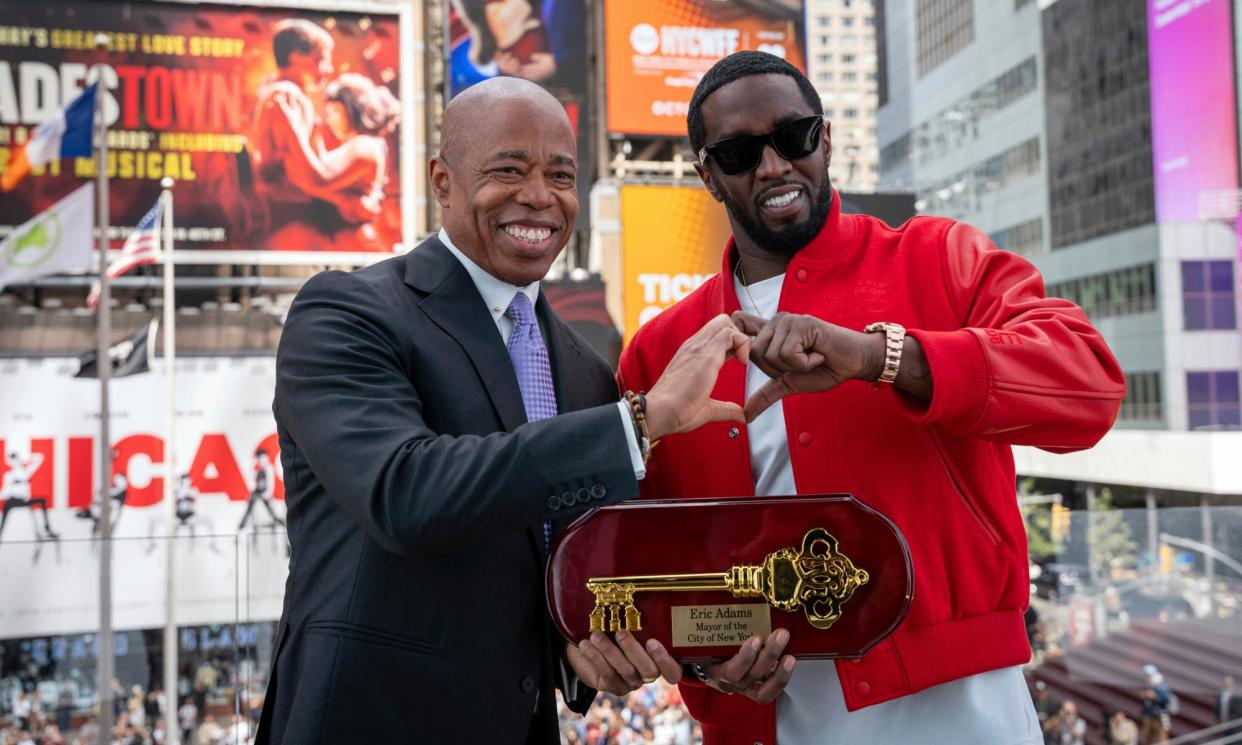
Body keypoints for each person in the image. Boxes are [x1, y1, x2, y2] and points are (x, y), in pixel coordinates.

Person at [616, 51, 1125, 745]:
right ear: (706, 175)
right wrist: (708, 667)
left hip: (964, 711)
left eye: (793, 137)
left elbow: (1090, 383)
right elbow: (651, 571)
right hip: (761, 723)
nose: (772, 167)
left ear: (825, 138)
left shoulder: (939, 257)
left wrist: (884, 357)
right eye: (738, 152)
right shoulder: (660, 349)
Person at [256, 76, 753, 743]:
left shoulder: (585, 370)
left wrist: (617, 649)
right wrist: (640, 421)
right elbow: (405, 492)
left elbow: (567, 570)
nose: (540, 197)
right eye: (509, 170)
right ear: (442, 181)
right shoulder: (346, 312)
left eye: (560, 174)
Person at [0, 449, 59, 542]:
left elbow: (40, 457)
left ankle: (47, 529)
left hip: (24, 500)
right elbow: (5, 492)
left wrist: (25, 457)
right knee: (6, 506)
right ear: (10, 462)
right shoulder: (9, 475)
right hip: (12, 500)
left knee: (42, 500)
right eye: (12, 460)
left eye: (16, 459)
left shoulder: (26, 472)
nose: (15, 462)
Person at [237, 450, 284, 532]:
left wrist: (267, 494)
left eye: (261, 458)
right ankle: (242, 526)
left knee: (273, 515)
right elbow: (252, 480)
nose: (260, 461)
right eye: (259, 459)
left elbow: (270, 483)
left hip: (266, 495)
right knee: (252, 501)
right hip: (260, 494)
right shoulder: (259, 470)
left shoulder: (268, 468)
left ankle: (280, 522)